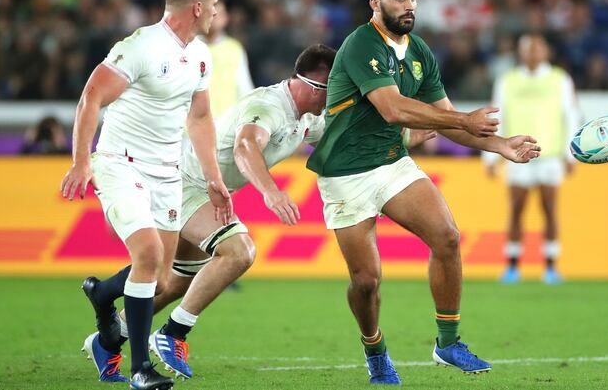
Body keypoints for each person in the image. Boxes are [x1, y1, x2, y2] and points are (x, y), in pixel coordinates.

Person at [107, 44, 436, 380]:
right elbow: (245, 146)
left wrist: (410, 136)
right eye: (334, 86)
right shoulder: (268, 106)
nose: (337, 94)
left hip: (204, 187)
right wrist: (272, 192)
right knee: (239, 251)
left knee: (175, 281)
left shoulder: (308, 116)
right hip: (184, 182)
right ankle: (173, 333)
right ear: (311, 84)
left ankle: (108, 339)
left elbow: (349, 143)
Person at [305, 0, 541, 385]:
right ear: (376, 4)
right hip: (345, 175)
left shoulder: (420, 53)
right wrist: (464, 121)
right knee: (366, 281)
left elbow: (449, 121)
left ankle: (447, 342)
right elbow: (394, 109)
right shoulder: (361, 44)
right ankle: (374, 347)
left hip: (393, 163)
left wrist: (501, 145)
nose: (409, 6)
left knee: (447, 237)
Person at [60, 0, 232, 390]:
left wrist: (212, 176)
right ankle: (141, 368)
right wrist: (82, 162)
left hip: (168, 172)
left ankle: (103, 297)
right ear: (196, 6)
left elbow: (202, 116)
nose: (215, 11)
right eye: (212, 4)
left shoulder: (201, 55)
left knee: (159, 272)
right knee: (150, 255)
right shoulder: (140, 46)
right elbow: (91, 98)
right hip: (121, 164)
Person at [483, 34, 580, 284]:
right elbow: (497, 116)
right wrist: (491, 157)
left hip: (549, 155)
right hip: (518, 156)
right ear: (520, 53)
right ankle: (513, 266)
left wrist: (571, 155)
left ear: (546, 52)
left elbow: (570, 116)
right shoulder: (508, 80)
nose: (533, 54)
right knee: (516, 210)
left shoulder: (560, 79)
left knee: (549, 209)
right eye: (527, 49)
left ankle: (550, 267)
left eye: (537, 49)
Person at [204, 0, 254, 117]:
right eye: (210, 14)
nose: (214, 18)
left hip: (225, 124)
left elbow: (244, 87)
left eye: (218, 14)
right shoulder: (190, 47)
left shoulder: (235, 49)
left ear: (226, 18)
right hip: (191, 128)